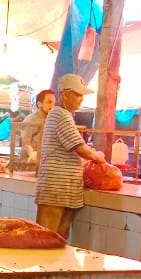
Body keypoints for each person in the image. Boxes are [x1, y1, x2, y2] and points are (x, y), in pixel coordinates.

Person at [35, 73, 107, 239]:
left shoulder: (64, 114)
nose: (81, 99)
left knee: (58, 240)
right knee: (45, 239)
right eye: (78, 94)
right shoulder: (60, 114)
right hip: (55, 186)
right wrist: (98, 157)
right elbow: (80, 148)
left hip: (64, 188)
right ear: (66, 94)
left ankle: (56, 266)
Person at [19, 89, 56, 160]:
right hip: (30, 162)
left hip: (47, 161)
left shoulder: (54, 120)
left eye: (54, 103)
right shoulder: (29, 120)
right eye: (49, 102)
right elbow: (25, 144)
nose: (52, 106)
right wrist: (33, 154)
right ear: (39, 104)